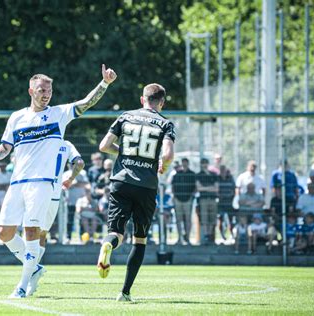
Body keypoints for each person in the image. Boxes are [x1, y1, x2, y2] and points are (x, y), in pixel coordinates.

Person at [0, 64, 117, 298]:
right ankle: (34, 268)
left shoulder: (58, 113)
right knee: (4, 233)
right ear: (31, 91)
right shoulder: (17, 117)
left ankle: (23, 285)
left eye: (49, 91)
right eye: (42, 90)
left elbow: (86, 103)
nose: (46, 94)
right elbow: (6, 147)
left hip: (42, 183)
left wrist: (104, 83)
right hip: (17, 183)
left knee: (32, 231)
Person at [96, 83, 175, 302]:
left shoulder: (125, 116)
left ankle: (108, 244)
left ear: (143, 99)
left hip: (121, 181)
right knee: (139, 240)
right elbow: (167, 155)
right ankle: (125, 292)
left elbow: (104, 146)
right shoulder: (166, 124)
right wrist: (162, 166)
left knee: (116, 232)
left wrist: (123, 152)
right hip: (146, 186)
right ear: (161, 102)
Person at [37, 140, 84, 280]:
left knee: (29, 230)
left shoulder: (41, 140)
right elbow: (80, 163)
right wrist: (70, 179)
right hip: (54, 193)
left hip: (37, 189)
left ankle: (32, 268)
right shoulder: (67, 144)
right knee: (42, 233)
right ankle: (35, 266)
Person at [171, 158, 196, 245]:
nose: (184, 164)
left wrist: (192, 196)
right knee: (179, 219)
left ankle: (188, 238)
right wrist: (174, 196)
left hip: (188, 199)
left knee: (188, 219)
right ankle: (179, 238)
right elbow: (173, 186)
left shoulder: (192, 174)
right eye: (183, 162)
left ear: (188, 163)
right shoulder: (177, 174)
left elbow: (195, 187)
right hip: (178, 199)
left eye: (186, 162)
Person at [196, 158, 219, 244]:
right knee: (204, 218)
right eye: (203, 163)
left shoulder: (214, 174)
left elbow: (216, 189)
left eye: (206, 163)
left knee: (212, 219)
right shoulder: (198, 175)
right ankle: (206, 235)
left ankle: (210, 235)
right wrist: (210, 187)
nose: (204, 165)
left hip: (213, 199)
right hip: (203, 200)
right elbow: (198, 188)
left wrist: (205, 188)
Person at [217, 165, 236, 241]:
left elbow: (233, 189)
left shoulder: (230, 178)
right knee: (221, 219)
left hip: (229, 202)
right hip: (221, 203)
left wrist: (230, 196)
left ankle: (231, 234)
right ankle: (222, 235)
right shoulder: (218, 178)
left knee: (231, 219)